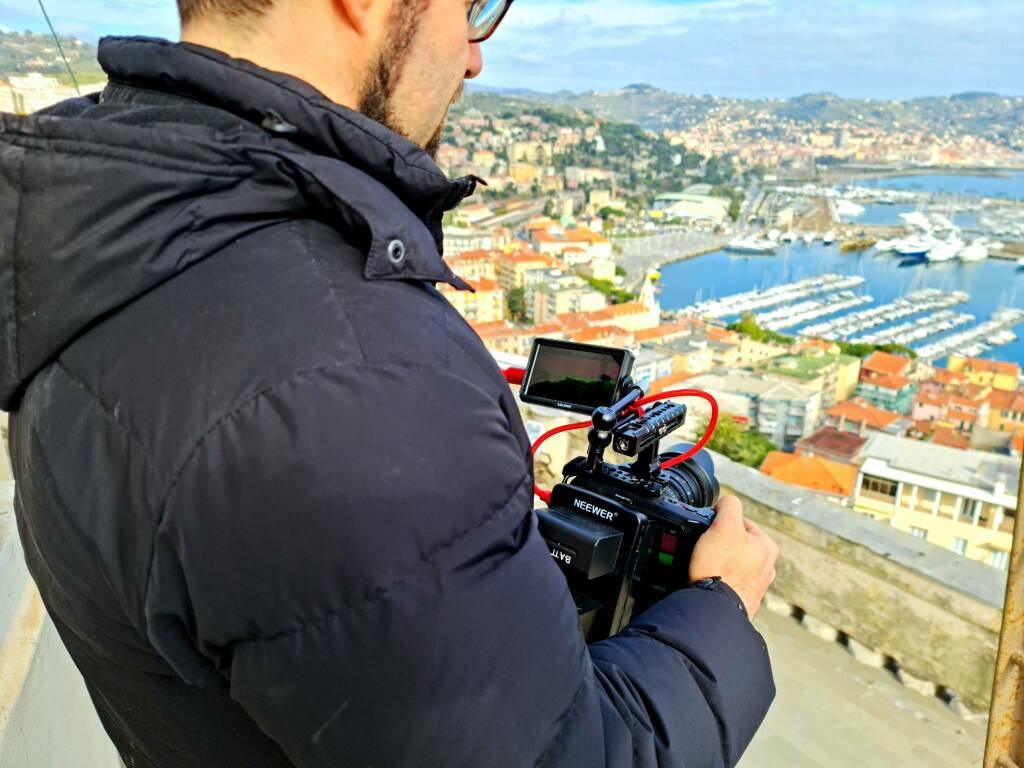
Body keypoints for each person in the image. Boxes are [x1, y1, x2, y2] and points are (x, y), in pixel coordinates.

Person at [0, 0, 778, 765]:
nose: (475, 55)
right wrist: (719, 615)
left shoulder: (94, 252)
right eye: (470, 6)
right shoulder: (362, 384)